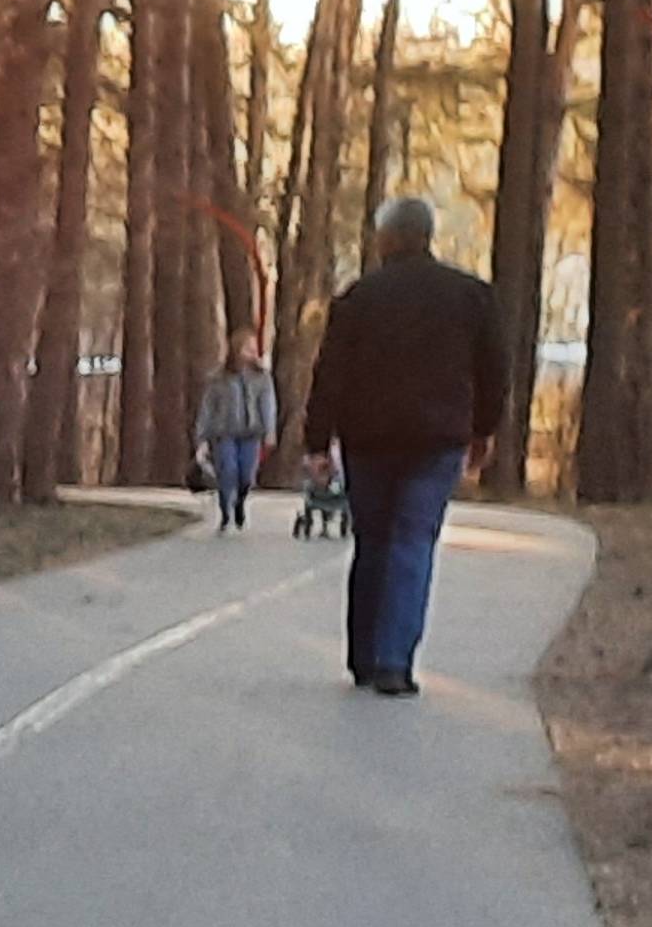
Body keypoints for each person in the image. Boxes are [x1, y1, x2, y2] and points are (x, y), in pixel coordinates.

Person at [289, 195, 511, 698]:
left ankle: (364, 657)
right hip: (438, 439)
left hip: (369, 439)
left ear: (386, 239)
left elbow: (331, 375)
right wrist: (483, 429)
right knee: (414, 541)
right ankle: (395, 662)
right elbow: (495, 371)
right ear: (427, 236)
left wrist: (318, 442)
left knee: (374, 542)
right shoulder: (470, 296)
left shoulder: (359, 298)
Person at [196, 337, 279, 531]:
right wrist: (202, 438)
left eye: (253, 349)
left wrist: (270, 431)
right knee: (228, 470)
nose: (251, 352)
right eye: (247, 348)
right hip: (224, 433)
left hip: (251, 433)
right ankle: (225, 509)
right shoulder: (218, 378)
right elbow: (207, 408)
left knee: (246, 474)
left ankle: (240, 500)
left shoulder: (262, 377)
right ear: (236, 350)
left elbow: (268, 406)